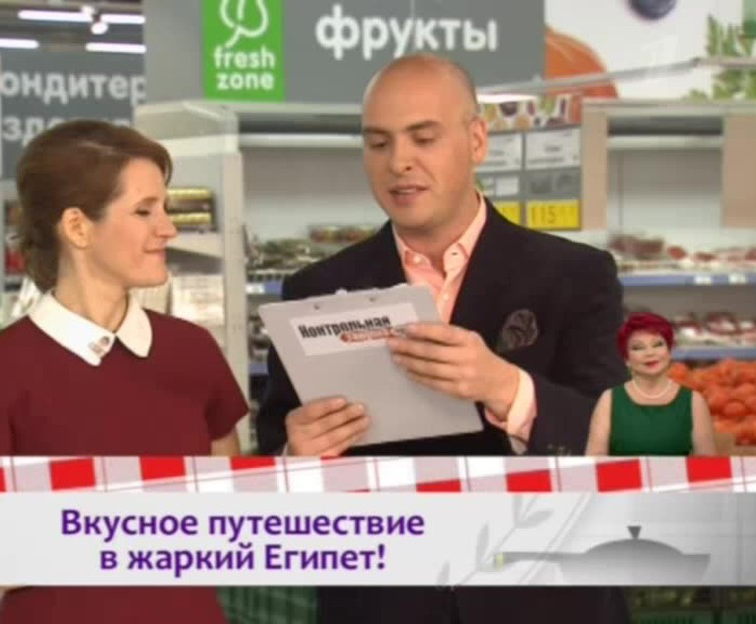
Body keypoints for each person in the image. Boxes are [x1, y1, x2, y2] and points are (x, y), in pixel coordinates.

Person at [255, 54, 629, 623]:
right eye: (378, 143)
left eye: (423, 138)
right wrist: (295, 459)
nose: (399, 162)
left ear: (477, 140)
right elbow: (276, 458)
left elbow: (619, 440)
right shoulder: (316, 289)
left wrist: (508, 389)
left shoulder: (575, 275)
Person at [0, 120, 248, 622]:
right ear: (78, 227)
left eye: (165, 209)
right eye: (144, 211)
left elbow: (226, 522)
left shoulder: (192, 352)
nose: (168, 228)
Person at [586, 313, 715, 456]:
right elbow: (594, 460)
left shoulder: (694, 401)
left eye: (657, 344)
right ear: (627, 359)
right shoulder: (609, 399)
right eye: (638, 347)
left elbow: (707, 463)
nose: (650, 353)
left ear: (669, 352)